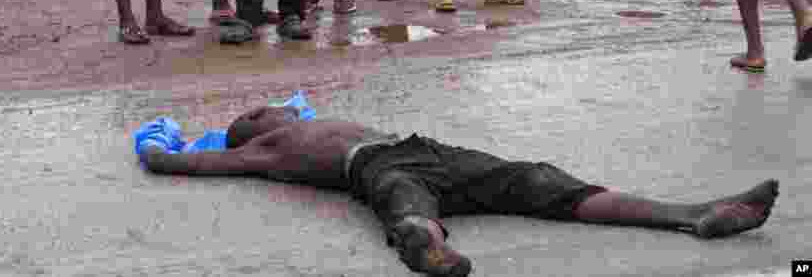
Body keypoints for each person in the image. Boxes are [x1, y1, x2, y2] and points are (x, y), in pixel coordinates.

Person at [139, 105, 779, 277]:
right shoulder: (262, 149)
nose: (273, 106)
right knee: (405, 206)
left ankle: (696, 214)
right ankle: (429, 250)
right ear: (251, 130)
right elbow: (193, 166)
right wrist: (159, 149)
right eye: (261, 108)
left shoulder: (298, 122)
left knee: (541, 181)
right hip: (377, 166)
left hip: (429, 150)